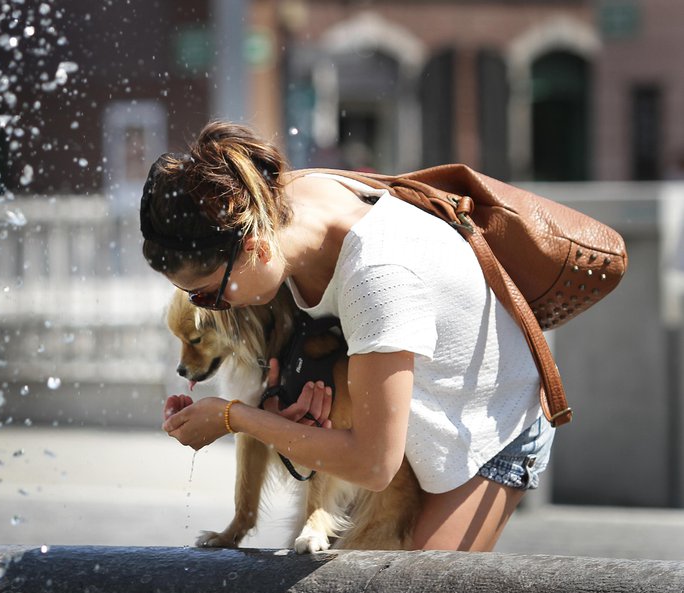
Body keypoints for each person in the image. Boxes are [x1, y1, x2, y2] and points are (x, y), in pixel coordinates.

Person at [138, 121, 555, 552]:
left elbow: (373, 464)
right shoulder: (275, 206)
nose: (213, 309)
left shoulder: (376, 275)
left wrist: (234, 417)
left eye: (207, 295)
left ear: (253, 249)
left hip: (486, 425)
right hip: (408, 414)